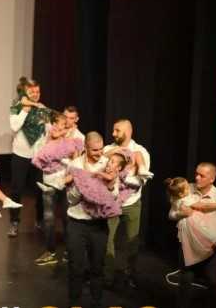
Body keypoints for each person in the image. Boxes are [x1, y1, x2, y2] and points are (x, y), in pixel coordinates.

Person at [64, 151, 126, 308]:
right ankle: (74, 302)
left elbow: (112, 198)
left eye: (100, 150)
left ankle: (96, 301)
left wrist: (109, 186)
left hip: (98, 225)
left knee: (97, 266)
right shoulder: (76, 165)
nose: (100, 154)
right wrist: (83, 185)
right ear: (87, 148)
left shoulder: (109, 171)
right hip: (77, 224)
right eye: (95, 150)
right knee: (75, 266)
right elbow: (70, 199)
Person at [167, 163, 216, 308]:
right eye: (196, 174)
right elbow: (171, 214)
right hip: (188, 243)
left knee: (212, 281)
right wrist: (181, 213)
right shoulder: (186, 189)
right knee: (186, 279)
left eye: (202, 175)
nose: (197, 178)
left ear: (212, 179)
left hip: (210, 246)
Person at [102, 119, 152, 288]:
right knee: (108, 240)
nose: (113, 134)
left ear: (128, 131)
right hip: (111, 203)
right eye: (113, 130)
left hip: (132, 203)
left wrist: (121, 175)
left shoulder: (140, 152)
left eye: (117, 130)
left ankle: (130, 274)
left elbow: (141, 181)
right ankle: (107, 276)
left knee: (132, 242)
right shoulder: (108, 149)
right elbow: (100, 171)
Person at [30, 113, 83, 266]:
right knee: (48, 219)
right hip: (49, 183)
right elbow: (37, 158)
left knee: (67, 217)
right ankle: (50, 251)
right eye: (56, 124)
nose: (57, 128)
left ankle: (69, 251)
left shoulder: (71, 143)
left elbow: (76, 161)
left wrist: (66, 158)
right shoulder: (44, 140)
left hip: (65, 183)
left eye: (62, 127)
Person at [8, 77, 51, 237]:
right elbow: (14, 126)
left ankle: (39, 220)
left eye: (37, 91)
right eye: (32, 91)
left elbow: (49, 130)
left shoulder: (42, 108)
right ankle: (14, 221)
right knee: (17, 189)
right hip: (21, 155)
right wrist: (25, 109)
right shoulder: (16, 107)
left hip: (39, 157)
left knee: (40, 189)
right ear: (25, 92)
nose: (35, 94)